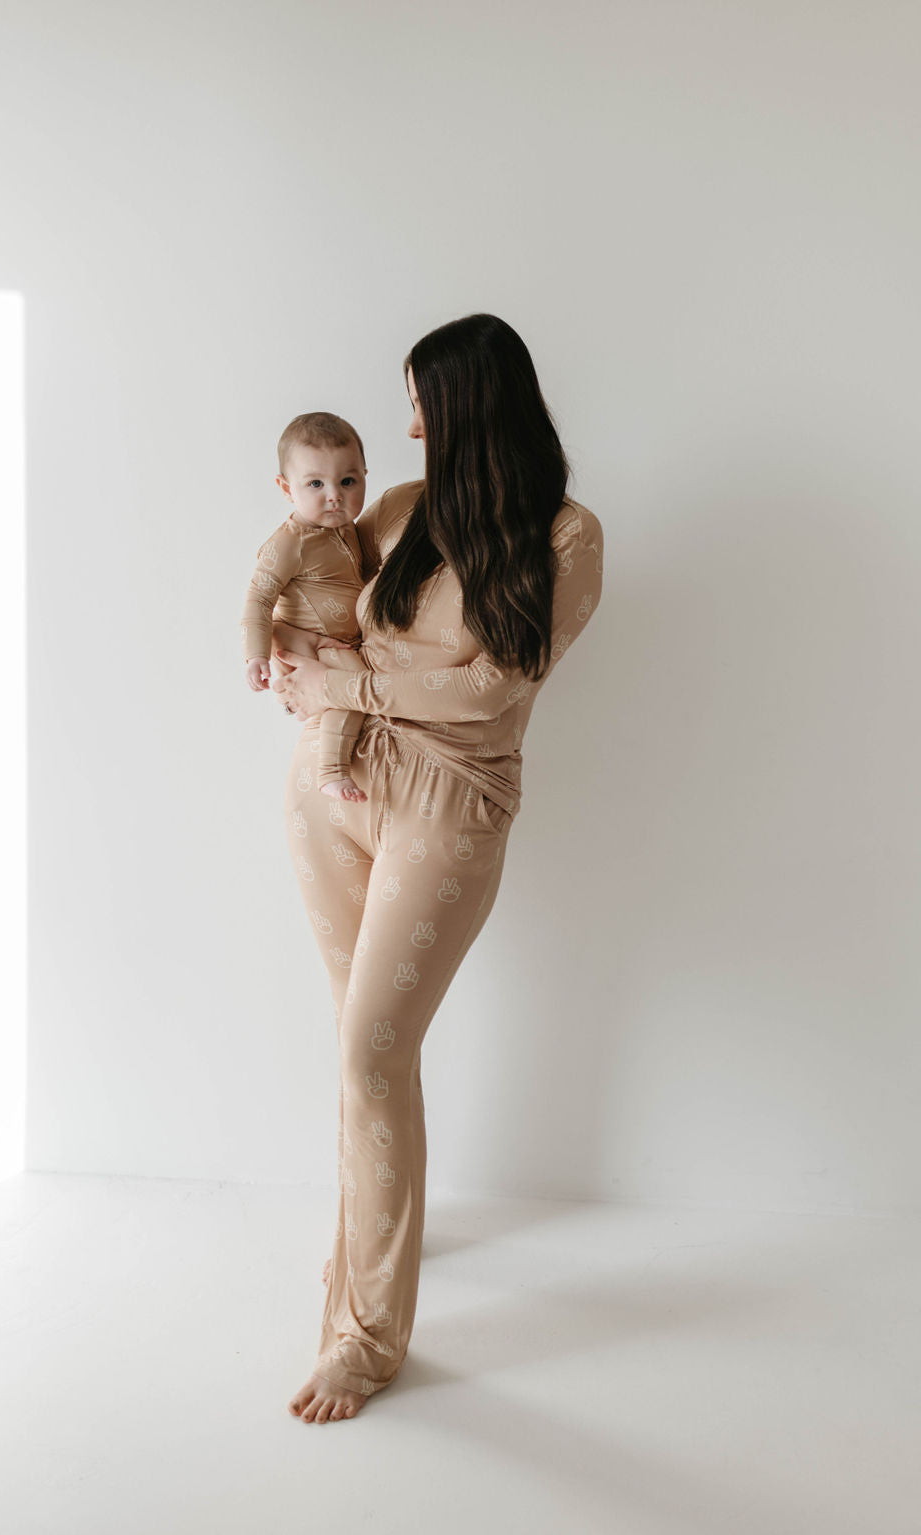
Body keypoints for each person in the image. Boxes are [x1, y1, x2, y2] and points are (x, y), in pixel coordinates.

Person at [271, 314, 604, 1424]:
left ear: (465, 403)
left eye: (419, 398)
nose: (405, 421)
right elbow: (323, 588)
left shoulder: (565, 536)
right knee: (362, 1043)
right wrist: (284, 645)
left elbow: (491, 691)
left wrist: (348, 687)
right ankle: (367, 1246)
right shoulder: (400, 513)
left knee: (373, 1048)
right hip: (335, 792)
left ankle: (367, 1335)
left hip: (451, 805)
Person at [242, 411, 370, 802]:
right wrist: (255, 655)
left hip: (331, 642)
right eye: (315, 483)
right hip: (300, 642)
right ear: (286, 488)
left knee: (354, 680)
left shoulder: (345, 529)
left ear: (365, 474)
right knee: (351, 683)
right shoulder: (289, 542)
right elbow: (259, 599)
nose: (334, 494)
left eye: (348, 481)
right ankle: (330, 770)